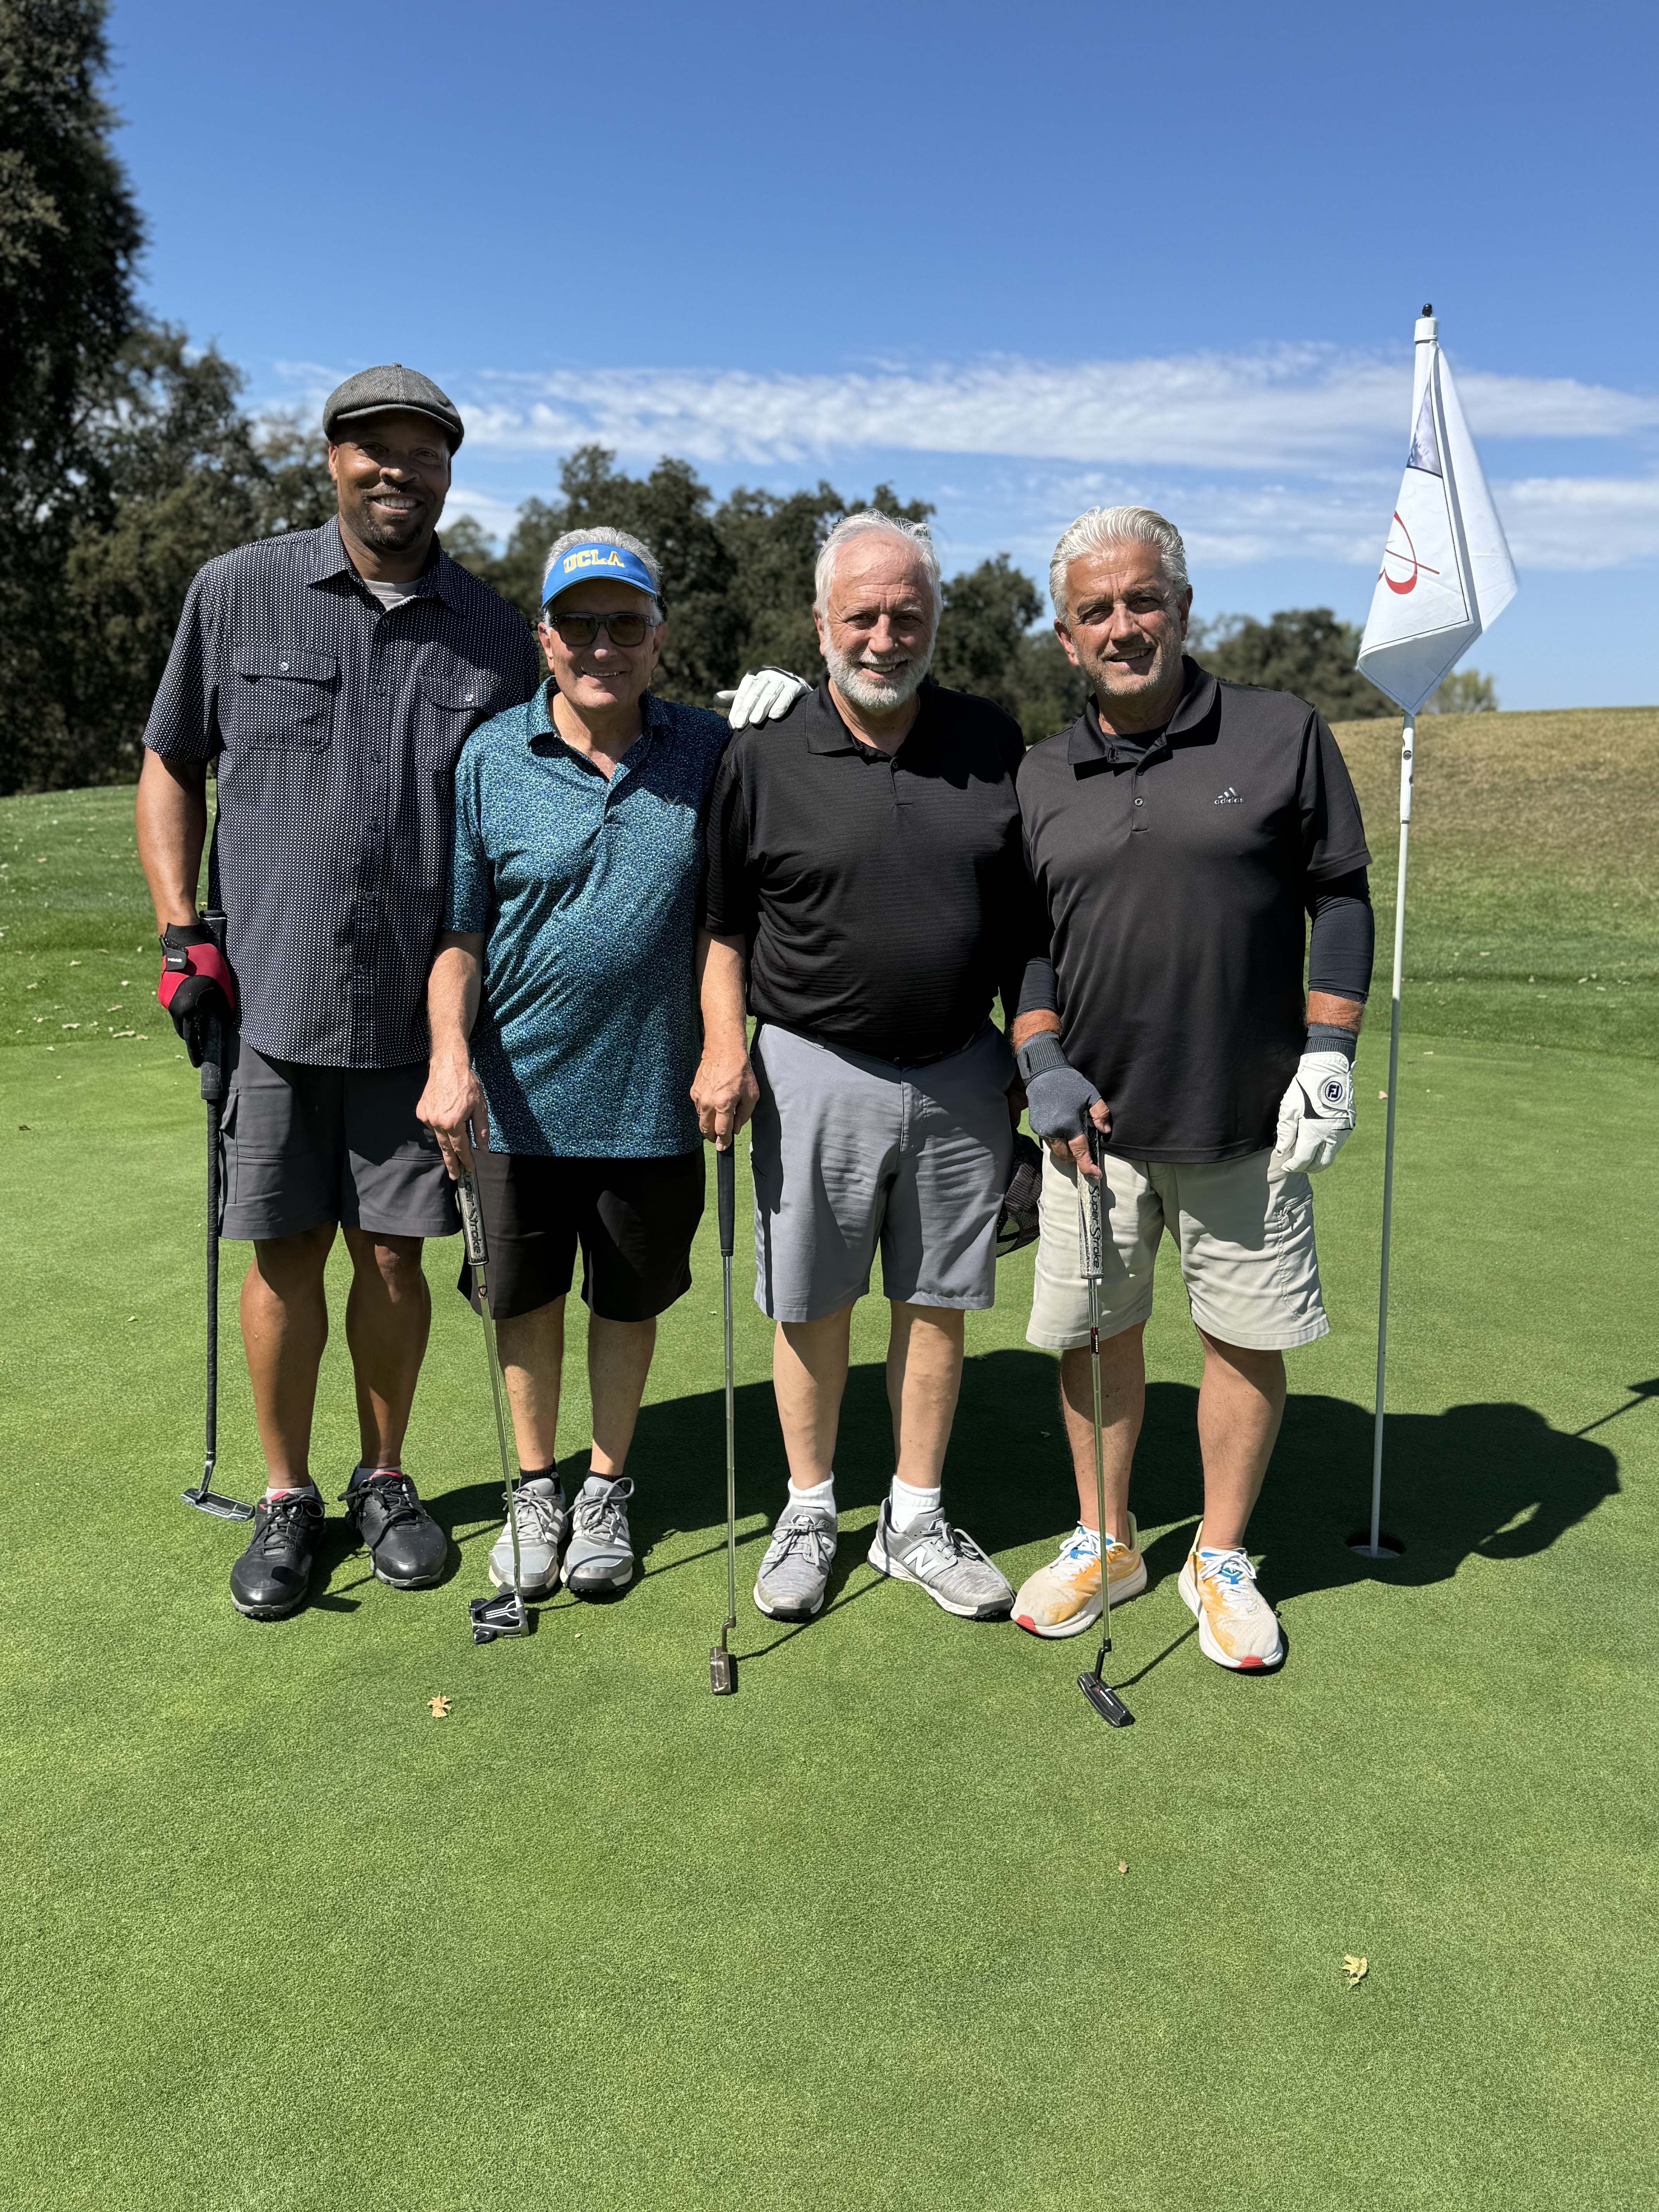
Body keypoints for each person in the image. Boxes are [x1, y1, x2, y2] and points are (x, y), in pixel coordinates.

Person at [137, 365, 543, 1620]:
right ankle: (284, 1496)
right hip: (271, 994)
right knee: (282, 1255)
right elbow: (170, 761)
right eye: (375, 448)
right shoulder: (237, 589)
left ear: (449, 472)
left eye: (424, 452)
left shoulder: (494, 633)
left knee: (394, 1258)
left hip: (421, 1014)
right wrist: (179, 931)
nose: (396, 471)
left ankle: (384, 1478)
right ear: (331, 458)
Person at [1008, 506, 1374, 1670]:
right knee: (1094, 1335)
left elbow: (1341, 895)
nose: (1122, 627)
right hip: (1091, 1131)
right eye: (1095, 611)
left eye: (1142, 600)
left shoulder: (1279, 731)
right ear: (1066, 638)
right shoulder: (1041, 771)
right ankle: (1106, 1539)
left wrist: (1329, 1051)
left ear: (1181, 606)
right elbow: (1028, 944)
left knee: (1243, 1339)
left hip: (1246, 1117)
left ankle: (1218, 1555)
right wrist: (1041, 1060)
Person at [418, 531, 805, 1602]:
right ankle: (535, 1487)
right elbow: (461, 935)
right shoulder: (493, 756)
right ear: (543, 637)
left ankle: (603, 1488)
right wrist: (449, 1057)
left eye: (624, 623)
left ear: (658, 638)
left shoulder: (710, 749)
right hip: (514, 1099)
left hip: (654, 1095)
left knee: (627, 1305)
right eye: (578, 623)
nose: (602, 645)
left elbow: (738, 907)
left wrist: (795, 700)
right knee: (525, 1301)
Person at [694, 511, 1034, 1626]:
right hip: (811, 1065)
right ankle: (808, 1509)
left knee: (937, 1303)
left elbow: (1025, 925)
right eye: (862, 617)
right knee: (811, 1302)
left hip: (962, 1069)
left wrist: (1030, 1055)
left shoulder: (990, 739)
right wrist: (722, 1047)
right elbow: (724, 929)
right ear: (820, 623)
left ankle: (914, 1518)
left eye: (907, 616)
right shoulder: (761, 751)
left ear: (936, 620)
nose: (885, 639)